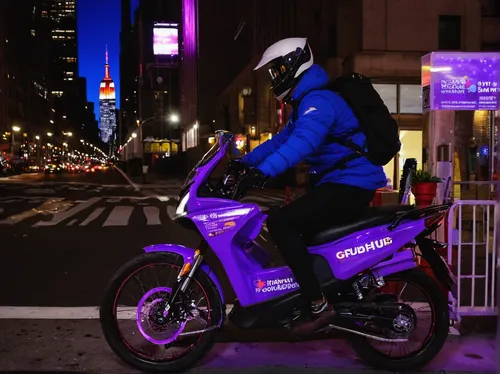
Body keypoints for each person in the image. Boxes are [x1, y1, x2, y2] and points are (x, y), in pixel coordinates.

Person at [228, 37, 387, 333]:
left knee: (281, 223)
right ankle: (333, 291)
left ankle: (318, 304)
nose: (275, 78)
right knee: (303, 230)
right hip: (338, 182)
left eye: (277, 71)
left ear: (294, 65)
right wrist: (244, 163)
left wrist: (262, 173)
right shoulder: (306, 103)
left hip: (351, 183)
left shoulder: (319, 101)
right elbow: (281, 141)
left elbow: (302, 144)